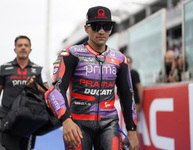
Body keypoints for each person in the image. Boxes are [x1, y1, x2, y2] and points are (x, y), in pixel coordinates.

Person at [45, 6, 139, 150]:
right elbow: (55, 90)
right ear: (86, 29)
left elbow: (127, 95)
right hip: (77, 124)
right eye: (95, 26)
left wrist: (132, 130)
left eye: (105, 26)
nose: (101, 31)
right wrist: (66, 120)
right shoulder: (71, 54)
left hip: (109, 124)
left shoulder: (120, 58)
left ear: (111, 28)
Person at [0, 35, 49, 150]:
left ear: (30, 49)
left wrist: (35, 86)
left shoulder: (38, 70)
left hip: (28, 120)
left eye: (26, 45)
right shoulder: (4, 68)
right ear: (15, 49)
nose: (23, 47)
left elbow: (48, 93)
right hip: (7, 118)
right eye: (20, 45)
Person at [126, 56, 143, 122]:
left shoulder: (134, 73)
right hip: (128, 102)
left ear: (131, 63)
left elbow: (139, 87)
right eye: (126, 62)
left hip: (135, 101)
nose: (128, 64)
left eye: (129, 62)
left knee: (134, 122)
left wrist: (140, 102)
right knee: (130, 122)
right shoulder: (124, 74)